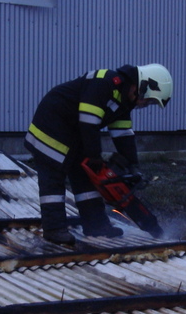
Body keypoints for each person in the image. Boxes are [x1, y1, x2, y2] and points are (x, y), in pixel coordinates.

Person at [25, 64, 173, 245]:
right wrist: (94, 155)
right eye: (147, 100)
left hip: (74, 133)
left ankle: (96, 226)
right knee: (53, 179)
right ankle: (54, 229)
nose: (144, 104)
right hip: (50, 128)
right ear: (141, 86)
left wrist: (132, 166)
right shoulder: (104, 83)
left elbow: (123, 135)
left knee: (86, 179)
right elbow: (89, 121)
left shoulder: (124, 101)